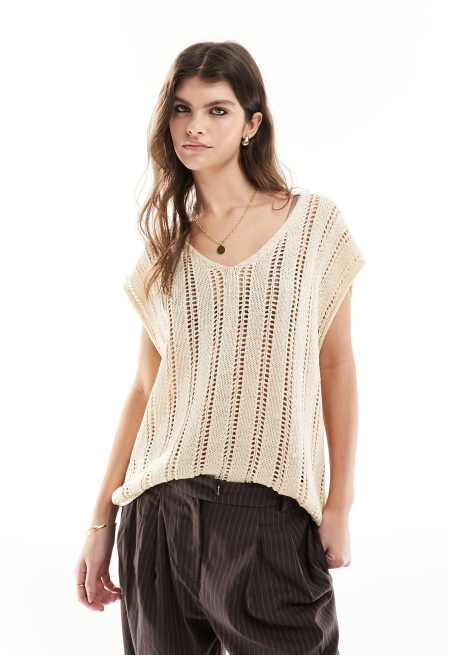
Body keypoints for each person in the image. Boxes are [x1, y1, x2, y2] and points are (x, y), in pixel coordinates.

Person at [75, 40, 366, 655]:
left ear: (251, 125)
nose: (195, 126)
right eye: (182, 109)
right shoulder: (164, 250)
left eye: (217, 110)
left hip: (270, 517)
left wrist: (339, 504)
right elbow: (144, 389)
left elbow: (336, 364)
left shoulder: (313, 225)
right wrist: (101, 519)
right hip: (159, 514)